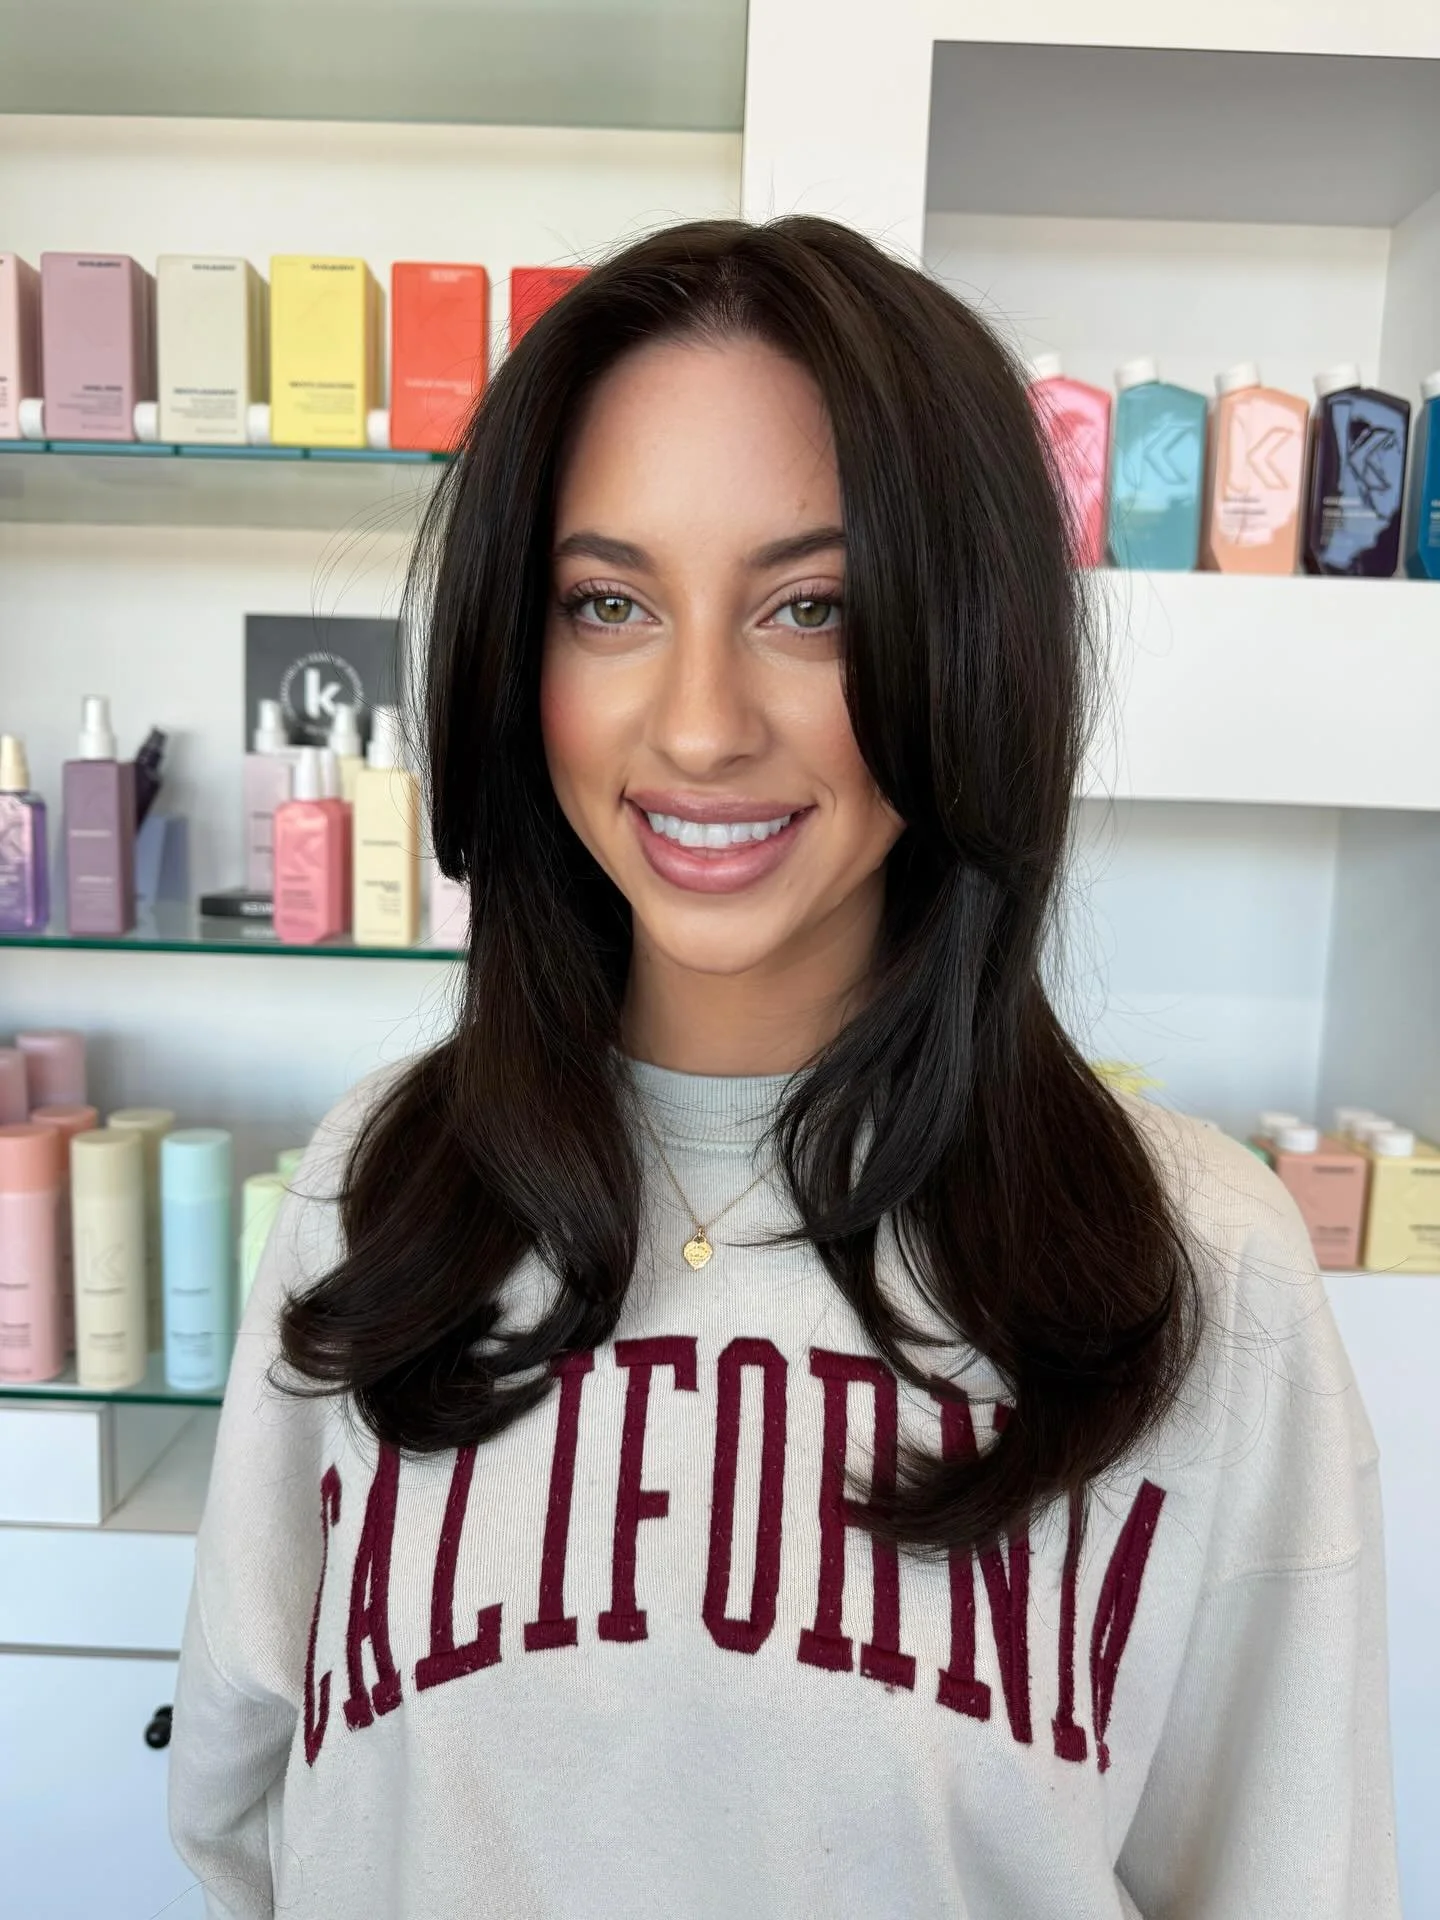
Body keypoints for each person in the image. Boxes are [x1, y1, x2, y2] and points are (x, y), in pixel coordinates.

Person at [169, 216, 1398, 1918]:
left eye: (809, 607)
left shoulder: (1201, 1269)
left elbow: (1284, 1879)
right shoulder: (382, 1185)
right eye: (607, 603)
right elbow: (245, 1802)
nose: (695, 723)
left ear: (966, 639)